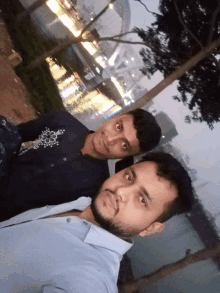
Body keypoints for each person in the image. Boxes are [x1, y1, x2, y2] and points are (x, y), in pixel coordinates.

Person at [0, 152, 194, 293]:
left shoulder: (93, 277)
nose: (121, 191)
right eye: (128, 177)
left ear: (151, 228)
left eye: (142, 199)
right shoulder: (82, 202)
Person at [0, 109, 161, 221]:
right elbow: (15, 134)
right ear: (116, 116)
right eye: (118, 127)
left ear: (128, 156)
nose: (111, 140)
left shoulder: (97, 190)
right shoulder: (62, 120)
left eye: (124, 145)